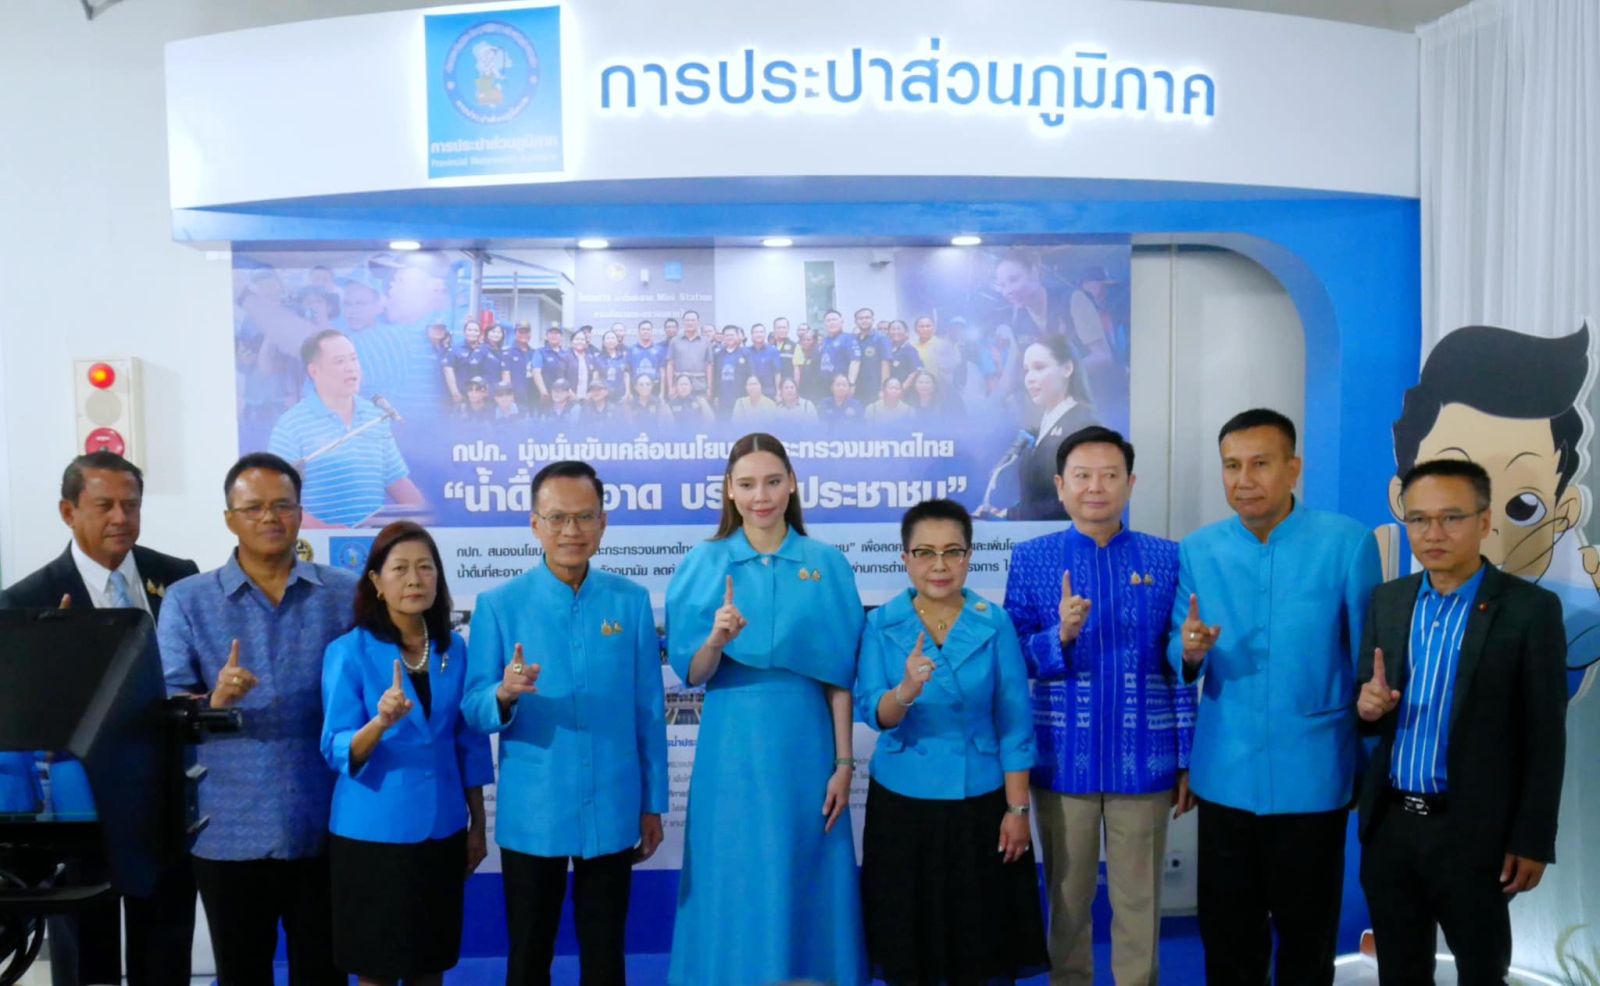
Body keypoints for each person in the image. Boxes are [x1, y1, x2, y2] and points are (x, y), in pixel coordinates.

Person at [1170, 408, 1382, 986]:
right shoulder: (1199, 549)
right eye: (1231, 466)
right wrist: (1190, 651)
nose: (1244, 480)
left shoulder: (1346, 543)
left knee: (1308, 937)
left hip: (1313, 774)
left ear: (1293, 468)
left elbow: (1369, 660)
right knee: (1227, 936)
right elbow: (1177, 646)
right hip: (1226, 775)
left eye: (1260, 464)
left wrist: (1366, 768)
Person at [1355, 458, 1567, 985]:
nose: (1433, 534)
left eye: (1451, 518)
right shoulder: (1389, 601)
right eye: (1418, 519)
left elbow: (1545, 735)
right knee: (1400, 972)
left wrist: (1533, 838)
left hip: (1474, 831)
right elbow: (1368, 701)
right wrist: (1367, 710)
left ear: (1485, 520)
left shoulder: (1529, 610)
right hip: (1391, 825)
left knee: (1482, 971)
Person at [665, 433, 866, 985]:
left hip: (807, 745)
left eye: (773, 481)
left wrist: (844, 764)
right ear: (729, 490)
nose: (762, 496)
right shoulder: (704, 562)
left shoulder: (826, 564)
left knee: (807, 869)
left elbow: (838, 678)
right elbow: (693, 673)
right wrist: (715, 640)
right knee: (732, 873)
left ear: (792, 484)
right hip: (732, 747)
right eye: (748, 484)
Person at [1002, 427, 1196, 985]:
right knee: (1067, 898)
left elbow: (1179, 660)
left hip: (1146, 759)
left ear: (1130, 484)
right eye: (1082, 476)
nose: (1096, 487)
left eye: (1110, 475)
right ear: (1060, 486)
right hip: (1064, 760)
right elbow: (1013, 659)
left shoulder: (1167, 558)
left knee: (1140, 900)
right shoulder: (1033, 559)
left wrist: (1186, 757)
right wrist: (1059, 636)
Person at [463, 462, 668, 986]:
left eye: (584, 517)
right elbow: (473, 709)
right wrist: (503, 693)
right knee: (529, 954)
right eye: (557, 518)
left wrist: (652, 803)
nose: (571, 531)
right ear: (535, 524)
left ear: (603, 523)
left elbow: (648, 710)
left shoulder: (630, 602)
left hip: (613, 804)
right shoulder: (499, 606)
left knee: (606, 953)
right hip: (535, 811)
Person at [159, 452, 360, 986]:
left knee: (325, 974)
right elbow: (166, 709)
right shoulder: (188, 600)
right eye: (253, 508)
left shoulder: (345, 594)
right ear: (230, 518)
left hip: (326, 821)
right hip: (229, 828)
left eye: (282, 505)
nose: (269, 517)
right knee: (242, 973)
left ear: (300, 512)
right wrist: (214, 699)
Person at [0, 452, 199, 986]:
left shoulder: (178, 578)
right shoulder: (25, 599)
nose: (120, 518)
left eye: (131, 505)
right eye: (104, 505)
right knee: (86, 960)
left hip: (162, 803)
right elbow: (20, 715)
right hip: (77, 812)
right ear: (68, 511)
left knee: (166, 950)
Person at [857, 498, 1049, 985]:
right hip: (903, 799)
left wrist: (1018, 810)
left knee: (980, 943)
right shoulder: (881, 624)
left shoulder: (994, 622)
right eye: (925, 553)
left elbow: (1014, 723)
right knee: (909, 942)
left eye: (952, 552)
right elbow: (874, 713)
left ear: (969, 557)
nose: (939, 565)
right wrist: (905, 691)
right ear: (905, 559)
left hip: (980, 798)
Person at [320, 522, 493, 984]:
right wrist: (380, 722)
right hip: (373, 834)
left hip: (443, 828)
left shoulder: (454, 650)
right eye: (400, 568)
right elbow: (336, 747)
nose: (415, 579)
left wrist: (477, 823)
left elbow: (468, 740)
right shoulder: (349, 651)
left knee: (430, 965)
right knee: (376, 969)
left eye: (425, 567)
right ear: (376, 581)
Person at [267, 330, 424, 528]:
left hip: (374, 542)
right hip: (317, 544)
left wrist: (427, 518)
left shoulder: (375, 417)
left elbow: (398, 482)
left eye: (353, 359)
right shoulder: (291, 425)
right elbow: (275, 498)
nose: (351, 368)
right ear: (314, 372)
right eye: (339, 362)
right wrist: (323, 531)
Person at [994, 336, 1097, 520]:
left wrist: (1014, 515)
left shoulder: (1083, 423)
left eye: (1039, 367)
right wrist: (1005, 514)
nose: (1029, 378)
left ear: (1067, 369)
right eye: (1026, 370)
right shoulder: (1039, 426)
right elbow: (1038, 496)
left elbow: (1077, 498)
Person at [667, 309, 715, 398]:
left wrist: (709, 387)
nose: (690, 323)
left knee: (700, 407)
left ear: (698, 322)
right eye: (687, 320)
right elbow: (670, 364)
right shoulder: (675, 341)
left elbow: (709, 366)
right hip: (680, 386)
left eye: (693, 320)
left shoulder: (706, 342)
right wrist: (670, 386)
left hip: (700, 385)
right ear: (683, 322)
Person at [817, 309, 862, 395]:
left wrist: (851, 384)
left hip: (842, 385)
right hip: (825, 384)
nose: (831, 323)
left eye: (834, 320)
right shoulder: (825, 340)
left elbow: (855, 361)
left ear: (842, 321)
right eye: (828, 320)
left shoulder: (848, 338)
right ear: (824, 324)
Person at [712, 324, 753, 414]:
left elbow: (751, 375)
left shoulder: (746, 353)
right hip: (723, 398)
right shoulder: (718, 355)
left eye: (732, 335)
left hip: (741, 397)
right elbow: (715, 378)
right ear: (723, 337)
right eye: (727, 335)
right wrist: (715, 395)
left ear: (738, 336)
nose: (729, 337)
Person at [852, 307, 890, 404]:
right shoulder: (853, 339)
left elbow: (885, 364)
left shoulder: (881, 338)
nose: (864, 320)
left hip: (874, 388)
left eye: (867, 318)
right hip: (856, 387)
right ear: (856, 321)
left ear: (873, 320)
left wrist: (883, 388)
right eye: (861, 318)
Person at [912, 315, 963, 386]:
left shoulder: (943, 345)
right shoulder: (911, 346)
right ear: (916, 330)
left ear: (934, 328)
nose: (925, 329)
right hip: (916, 387)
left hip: (938, 386)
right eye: (921, 326)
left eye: (928, 326)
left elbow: (951, 369)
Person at [533, 326, 574, 406]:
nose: (553, 336)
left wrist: (570, 392)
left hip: (565, 396)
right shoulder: (540, 352)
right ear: (546, 336)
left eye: (556, 333)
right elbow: (536, 372)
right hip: (547, 395)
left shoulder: (567, 353)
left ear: (561, 337)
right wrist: (543, 391)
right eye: (551, 333)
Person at [628, 320, 669, 393]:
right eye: (643, 329)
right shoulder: (631, 350)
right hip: (637, 388)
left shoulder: (659, 350)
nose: (646, 331)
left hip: (655, 388)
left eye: (648, 329)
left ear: (652, 332)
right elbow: (628, 372)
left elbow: (662, 372)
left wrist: (662, 393)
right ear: (639, 332)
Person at [884, 318, 923, 387]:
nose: (896, 332)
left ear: (906, 331)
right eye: (893, 329)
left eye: (899, 329)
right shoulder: (887, 349)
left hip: (903, 390)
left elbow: (914, 372)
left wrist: (902, 389)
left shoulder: (909, 349)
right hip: (888, 389)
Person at [595, 328, 631, 402]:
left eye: (613, 338)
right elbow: (595, 378)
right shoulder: (598, 358)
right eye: (608, 338)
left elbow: (626, 375)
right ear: (603, 342)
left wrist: (628, 392)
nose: (610, 340)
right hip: (603, 397)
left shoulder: (623, 357)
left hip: (621, 396)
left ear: (617, 341)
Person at [746, 323, 782, 396]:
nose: (759, 334)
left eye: (761, 332)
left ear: (765, 334)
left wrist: (778, 391)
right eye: (756, 332)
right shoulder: (746, 351)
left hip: (769, 391)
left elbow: (777, 373)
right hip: (750, 391)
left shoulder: (773, 351)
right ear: (751, 335)